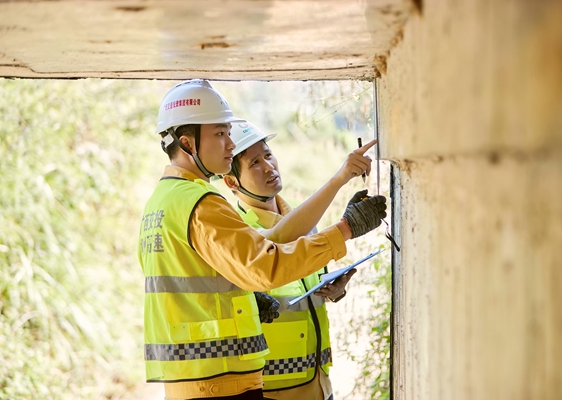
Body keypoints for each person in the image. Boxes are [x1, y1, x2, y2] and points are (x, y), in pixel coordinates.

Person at [138, 79, 387, 400]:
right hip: (221, 380)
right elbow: (265, 264)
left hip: (196, 380)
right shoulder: (201, 203)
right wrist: (345, 230)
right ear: (187, 144)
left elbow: (262, 245)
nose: (230, 144)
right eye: (219, 134)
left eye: (228, 132)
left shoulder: (163, 200)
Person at [222, 121, 376, 400]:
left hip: (317, 379)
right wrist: (341, 180)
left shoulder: (301, 218)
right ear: (231, 181)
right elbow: (273, 241)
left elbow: (310, 284)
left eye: (268, 155)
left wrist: (334, 290)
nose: (268, 167)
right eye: (254, 162)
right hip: (273, 387)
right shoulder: (238, 230)